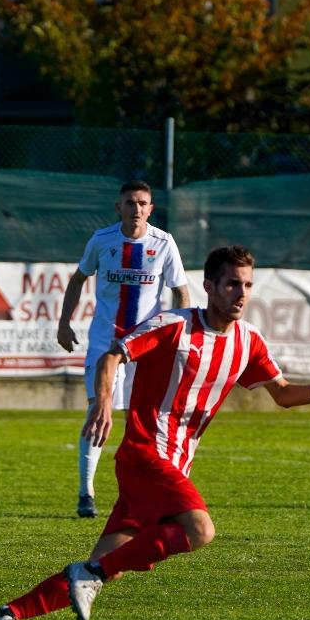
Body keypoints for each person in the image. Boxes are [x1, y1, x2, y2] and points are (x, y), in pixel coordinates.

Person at [0, 244, 310, 620]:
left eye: (248, 285)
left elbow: (283, 394)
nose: (242, 293)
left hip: (172, 466)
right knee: (200, 529)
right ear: (210, 287)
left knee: (106, 563)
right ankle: (87, 576)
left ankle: (3, 615)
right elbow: (114, 355)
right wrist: (104, 406)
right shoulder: (173, 325)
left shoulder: (248, 341)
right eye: (232, 283)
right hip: (144, 453)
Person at [57, 180, 191, 518]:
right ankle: (86, 493)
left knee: (142, 419)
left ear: (151, 208)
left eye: (142, 203)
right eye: (130, 202)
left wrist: (180, 334)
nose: (136, 208)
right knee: (97, 412)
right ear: (119, 207)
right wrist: (63, 322)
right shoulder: (102, 240)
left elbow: (181, 292)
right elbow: (77, 279)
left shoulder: (164, 243)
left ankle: (142, 493)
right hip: (105, 342)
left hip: (145, 345)